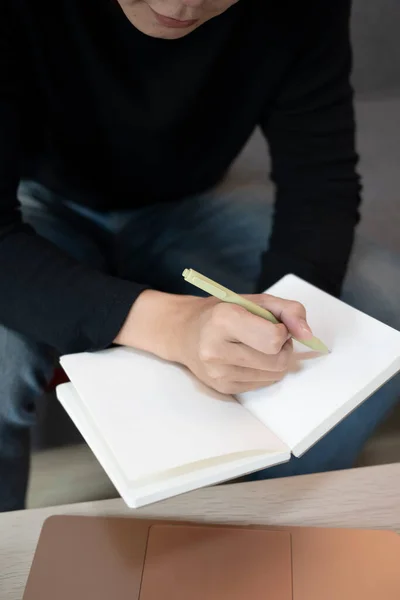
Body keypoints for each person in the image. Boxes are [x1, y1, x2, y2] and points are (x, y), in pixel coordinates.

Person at [0, 0, 398, 513]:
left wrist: (275, 323)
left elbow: (320, 181)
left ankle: (260, 520)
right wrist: (172, 325)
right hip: (33, 201)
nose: (180, 6)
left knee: (377, 306)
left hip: (192, 198)